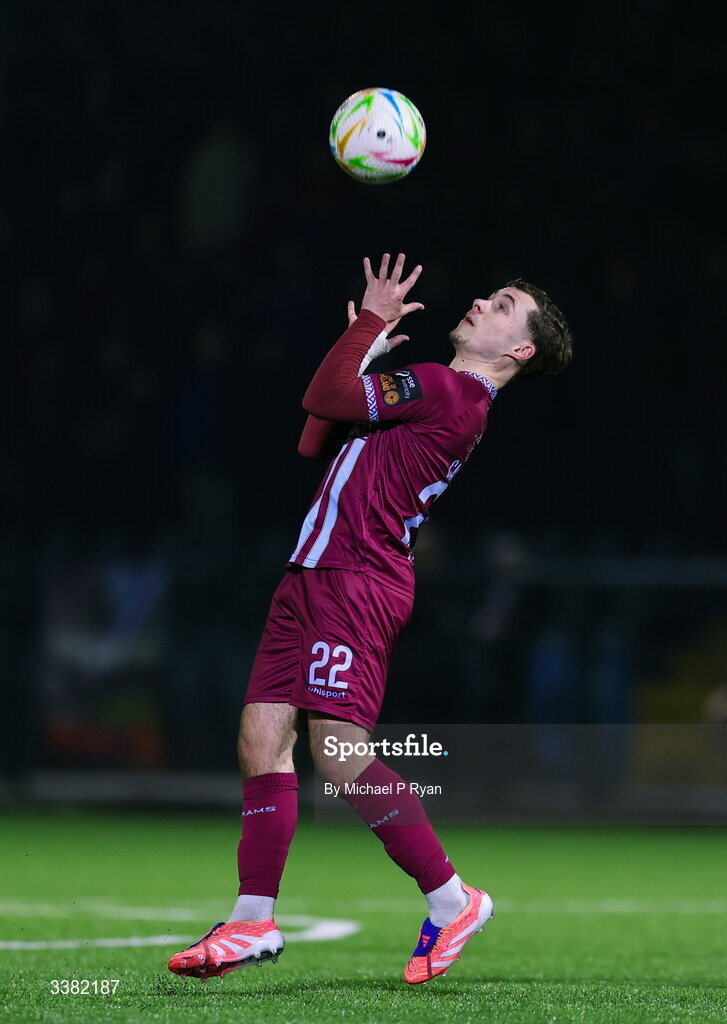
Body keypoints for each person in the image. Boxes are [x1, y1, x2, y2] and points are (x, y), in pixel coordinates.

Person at [168, 253, 573, 984]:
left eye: (503, 303)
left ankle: (452, 900)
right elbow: (316, 428)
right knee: (261, 738)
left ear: (519, 350)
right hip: (313, 572)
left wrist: (367, 324)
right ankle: (250, 920)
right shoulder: (439, 392)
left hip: (356, 580)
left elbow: (322, 392)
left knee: (338, 752)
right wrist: (365, 350)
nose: (482, 299)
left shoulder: (449, 390)